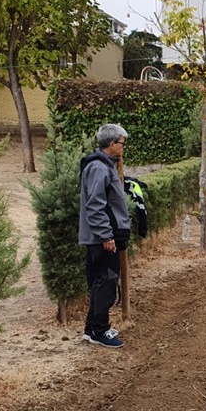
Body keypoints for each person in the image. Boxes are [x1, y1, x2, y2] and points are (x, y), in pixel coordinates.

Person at [79, 123, 132, 348]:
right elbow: (95, 205)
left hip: (103, 236)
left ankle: (92, 329)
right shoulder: (99, 168)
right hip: (102, 239)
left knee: (102, 282)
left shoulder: (105, 165)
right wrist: (106, 236)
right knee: (106, 282)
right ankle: (100, 331)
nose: (124, 147)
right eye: (122, 143)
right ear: (112, 144)